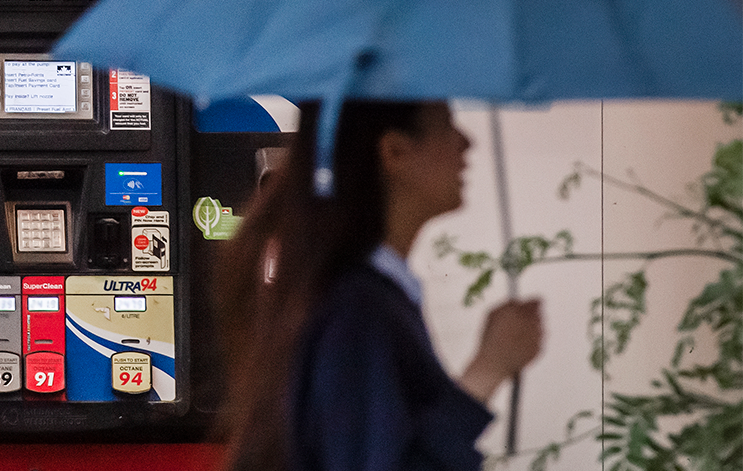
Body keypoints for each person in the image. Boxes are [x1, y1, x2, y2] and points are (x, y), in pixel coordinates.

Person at [215, 100, 543, 471]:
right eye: (447, 126)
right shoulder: (357, 311)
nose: (467, 143)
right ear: (394, 152)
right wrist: (488, 368)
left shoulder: (362, 296)